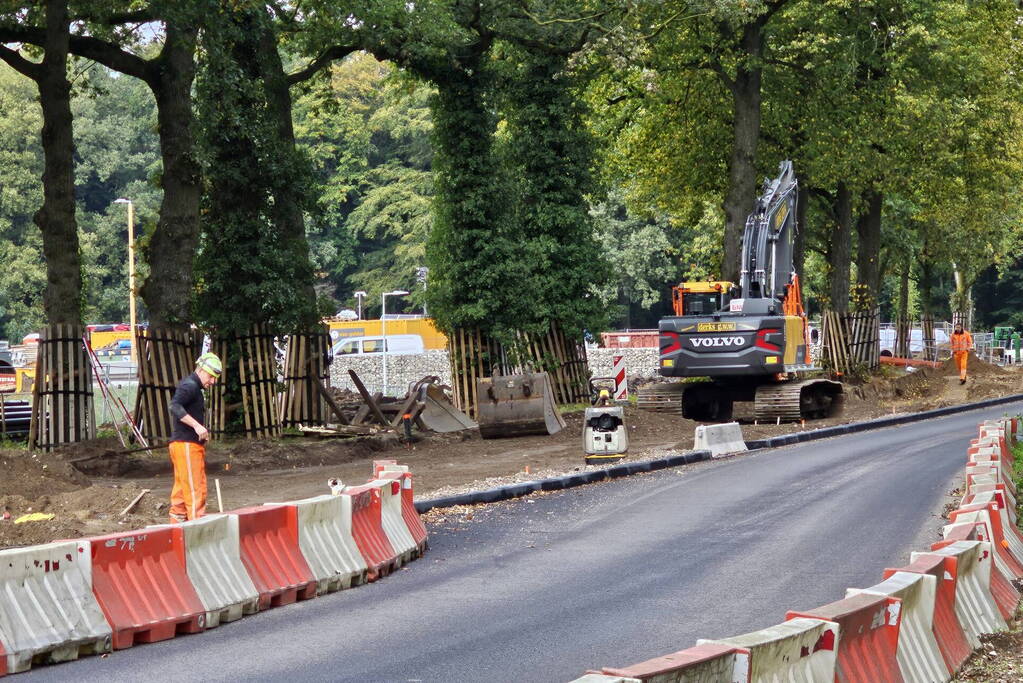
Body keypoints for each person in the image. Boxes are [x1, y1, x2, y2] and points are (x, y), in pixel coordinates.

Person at [167, 352, 222, 523]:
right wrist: (197, 426)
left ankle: (176, 529)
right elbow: (174, 406)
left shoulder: (193, 387)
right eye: (211, 377)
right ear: (202, 370)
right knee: (194, 489)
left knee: (181, 491)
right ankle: (197, 528)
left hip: (183, 445)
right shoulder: (190, 386)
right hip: (187, 446)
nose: (213, 382)